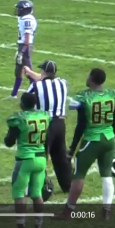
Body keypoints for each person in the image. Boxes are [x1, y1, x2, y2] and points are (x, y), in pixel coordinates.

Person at [57, 68, 115, 221]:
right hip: (109, 138)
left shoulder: (83, 96)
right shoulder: (112, 95)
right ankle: (106, 211)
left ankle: (68, 211)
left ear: (91, 78)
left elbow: (80, 125)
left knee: (79, 175)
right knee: (106, 174)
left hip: (92, 140)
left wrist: (72, 148)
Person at [22, 60, 71, 194]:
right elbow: (45, 79)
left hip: (45, 124)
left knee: (40, 155)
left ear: (43, 71)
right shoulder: (62, 83)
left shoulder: (36, 86)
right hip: (60, 124)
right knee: (60, 155)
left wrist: (29, 75)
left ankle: (39, 185)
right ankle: (67, 185)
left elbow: (26, 99)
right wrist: (31, 73)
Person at [4, 92, 48, 228]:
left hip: (25, 160)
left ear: (22, 103)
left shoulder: (19, 119)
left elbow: (9, 142)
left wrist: (9, 134)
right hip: (41, 159)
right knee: (37, 193)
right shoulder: (45, 116)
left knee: (19, 193)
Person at [12, 0, 37, 97]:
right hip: (22, 46)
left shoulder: (28, 19)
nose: (18, 11)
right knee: (18, 71)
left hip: (25, 46)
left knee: (29, 71)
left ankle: (35, 91)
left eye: (19, 9)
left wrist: (21, 52)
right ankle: (13, 94)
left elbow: (27, 38)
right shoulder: (23, 18)